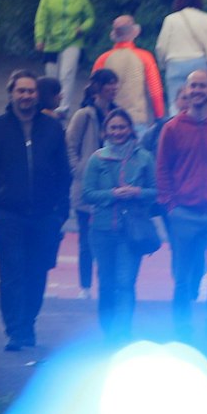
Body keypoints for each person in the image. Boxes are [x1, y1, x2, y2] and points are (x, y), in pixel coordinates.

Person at [0, 69, 70, 352]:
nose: (26, 96)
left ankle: (29, 321)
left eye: (31, 91)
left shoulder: (52, 128)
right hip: (7, 214)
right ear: (12, 93)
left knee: (37, 272)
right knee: (12, 272)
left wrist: (60, 211)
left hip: (44, 214)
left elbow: (64, 172)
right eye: (21, 91)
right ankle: (16, 330)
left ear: (37, 95)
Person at [156, 69, 207, 340]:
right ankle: (182, 324)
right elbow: (162, 170)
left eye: (202, 86)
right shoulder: (172, 129)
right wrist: (170, 205)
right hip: (184, 212)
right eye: (193, 86)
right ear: (186, 91)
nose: (197, 91)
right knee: (183, 275)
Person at [80, 107, 156, 342]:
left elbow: (157, 192)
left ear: (130, 130)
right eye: (113, 127)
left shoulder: (144, 157)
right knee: (106, 283)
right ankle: (107, 329)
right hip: (101, 231)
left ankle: (122, 333)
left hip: (130, 233)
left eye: (122, 127)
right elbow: (88, 194)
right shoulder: (97, 158)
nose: (118, 132)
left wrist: (137, 192)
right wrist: (113, 194)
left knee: (125, 283)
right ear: (106, 131)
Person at [66, 68, 121, 293]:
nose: (113, 88)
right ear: (98, 86)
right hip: (87, 188)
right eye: (109, 83)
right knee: (86, 241)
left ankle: (106, 284)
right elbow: (70, 145)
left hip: (112, 187)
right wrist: (79, 170)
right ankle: (86, 286)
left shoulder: (118, 114)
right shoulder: (84, 115)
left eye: (115, 84)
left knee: (110, 238)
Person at [33, 0, 95, 111]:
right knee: (51, 77)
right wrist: (40, 38)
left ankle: (63, 107)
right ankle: (50, 106)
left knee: (67, 74)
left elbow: (90, 17)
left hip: (73, 40)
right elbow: (41, 18)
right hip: (52, 42)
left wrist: (82, 28)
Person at [154, 0, 207, 110]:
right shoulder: (206, 18)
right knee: (202, 102)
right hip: (198, 63)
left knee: (176, 104)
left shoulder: (171, 19)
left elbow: (160, 47)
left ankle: (175, 127)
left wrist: (163, 65)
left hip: (175, 64)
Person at [92, 15, 166, 132]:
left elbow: (93, 91)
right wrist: (159, 116)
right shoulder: (145, 57)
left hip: (109, 121)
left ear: (113, 35)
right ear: (135, 32)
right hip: (137, 118)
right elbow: (155, 91)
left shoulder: (103, 59)